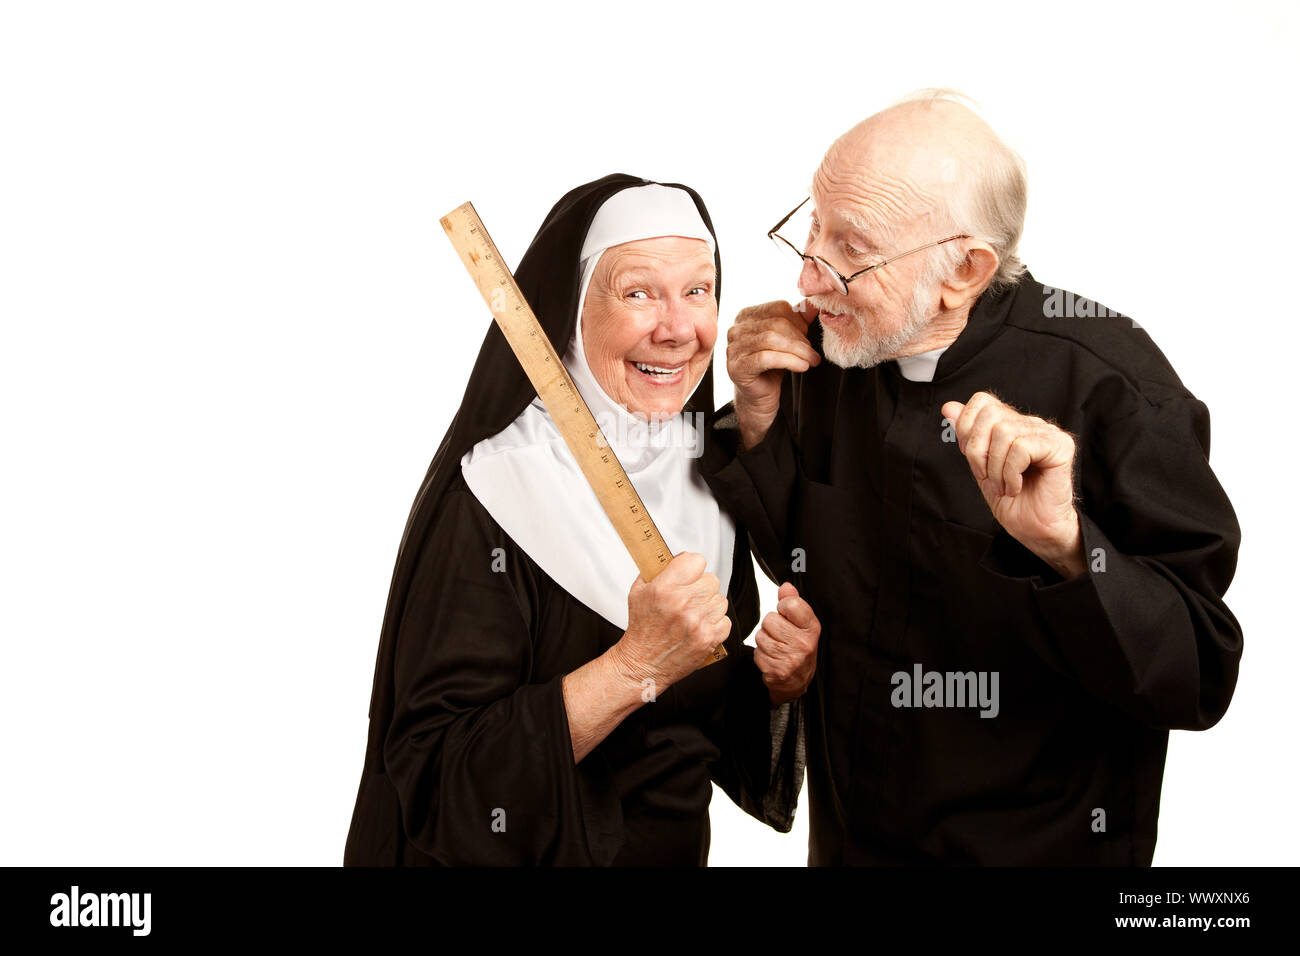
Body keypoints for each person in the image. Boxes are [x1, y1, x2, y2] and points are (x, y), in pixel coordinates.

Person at [703, 90, 1243, 865]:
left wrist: (1066, 547)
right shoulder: (834, 350)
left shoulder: (1116, 387)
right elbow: (810, 562)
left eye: (850, 248)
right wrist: (758, 417)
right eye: (811, 227)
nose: (811, 280)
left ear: (964, 269)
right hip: (851, 842)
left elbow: (1199, 675)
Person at [343, 174, 819, 866]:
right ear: (568, 312)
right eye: (638, 293)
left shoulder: (706, 476)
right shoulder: (495, 493)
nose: (678, 328)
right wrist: (631, 668)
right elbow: (436, 778)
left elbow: (692, 722)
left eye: (697, 290)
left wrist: (775, 683)